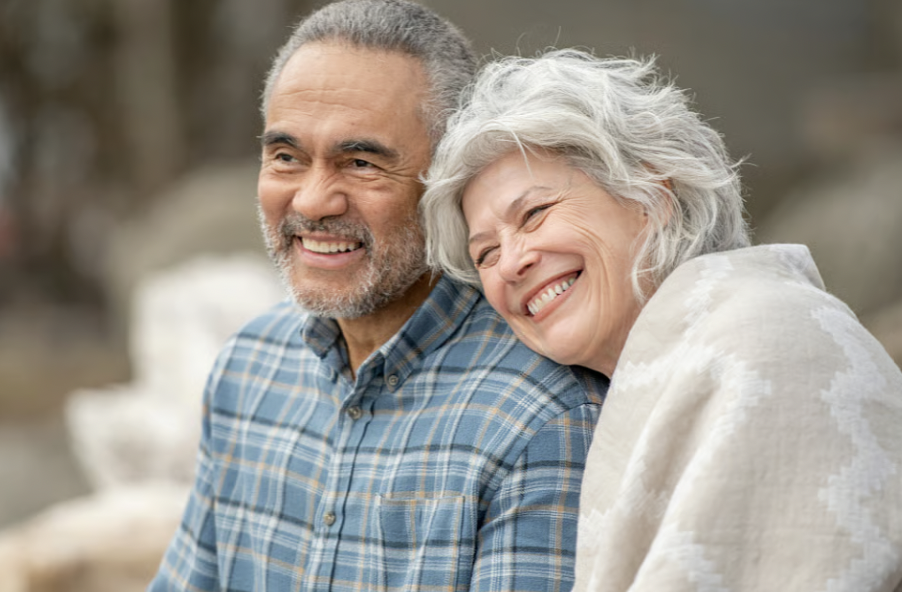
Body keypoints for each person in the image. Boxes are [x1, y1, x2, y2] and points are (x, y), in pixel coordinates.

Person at [148, 2, 609, 591]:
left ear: (450, 180)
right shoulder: (249, 367)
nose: (313, 202)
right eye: (286, 157)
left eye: (361, 162)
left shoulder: (543, 416)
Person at [422, 48, 902, 591]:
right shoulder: (659, 368)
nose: (510, 264)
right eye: (486, 253)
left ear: (652, 196)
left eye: (534, 214)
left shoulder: (765, 339)